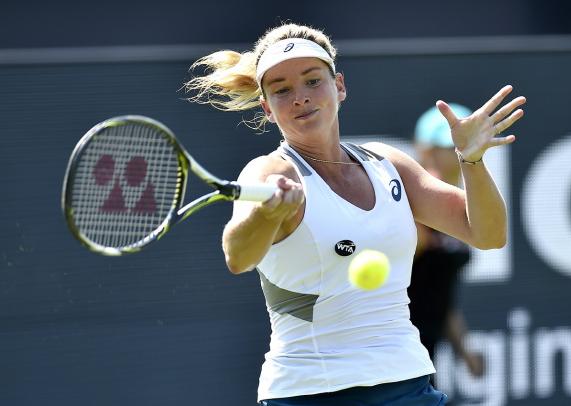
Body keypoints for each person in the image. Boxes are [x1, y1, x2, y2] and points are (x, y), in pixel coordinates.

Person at [185, 23, 525, 406]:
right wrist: (266, 216)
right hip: (309, 394)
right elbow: (237, 255)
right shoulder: (270, 173)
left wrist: (472, 160)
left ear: (340, 86)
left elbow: (489, 235)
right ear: (267, 107)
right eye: (282, 90)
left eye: (313, 81)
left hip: (407, 383)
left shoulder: (388, 164)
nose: (300, 98)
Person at [408, 104, 485, 387]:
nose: (457, 151)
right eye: (448, 144)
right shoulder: (412, 204)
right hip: (397, 354)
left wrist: (463, 349)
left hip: (427, 352)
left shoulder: (467, 206)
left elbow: (442, 294)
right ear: (424, 149)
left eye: (463, 144)